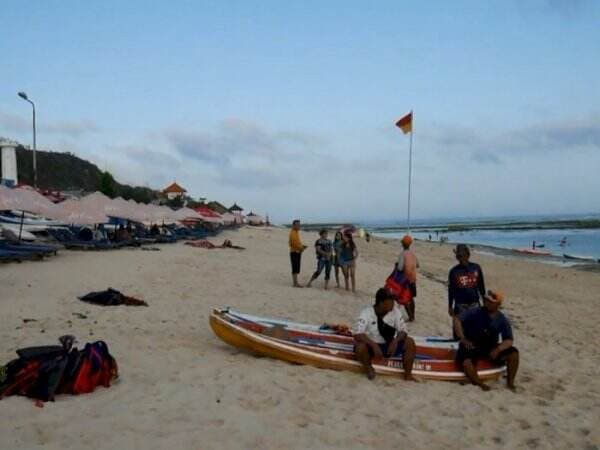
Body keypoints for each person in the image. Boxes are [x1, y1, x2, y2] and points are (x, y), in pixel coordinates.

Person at [454, 290, 519, 391]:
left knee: (514, 354)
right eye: (486, 300)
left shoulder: (502, 319)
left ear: (497, 304)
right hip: (472, 345)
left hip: (490, 347)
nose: (486, 303)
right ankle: (480, 384)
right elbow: (457, 319)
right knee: (466, 362)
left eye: (490, 302)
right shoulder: (475, 311)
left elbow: (509, 340)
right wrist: (462, 338)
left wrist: (498, 349)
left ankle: (510, 383)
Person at [353, 288, 417, 381]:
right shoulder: (367, 312)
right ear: (381, 303)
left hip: (388, 345)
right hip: (371, 346)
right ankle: (368, 368)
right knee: (360, 347)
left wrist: (395, 341)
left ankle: (408, 375)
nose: (393, 303)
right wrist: (373, 345)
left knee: (410, 342)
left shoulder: (395, 312)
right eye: (390, 300)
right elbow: (357, 334)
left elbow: (403, 331)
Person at [448, 244, 486, 319]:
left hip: (475, 305)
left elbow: (481, 287)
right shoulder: (454, 271)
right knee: (460, 329)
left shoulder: (476, 268)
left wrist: (485, 303)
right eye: (458, 256)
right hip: (460, 306)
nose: (461, 258)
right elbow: (451, 290)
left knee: (475, 329)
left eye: (462, 255)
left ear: (468, 255)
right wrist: (450, 306)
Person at [395, 235, 419, 321]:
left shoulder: (402, 254)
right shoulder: (413, 254)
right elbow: (418, 265)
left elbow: (400, 268)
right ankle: (413, 315)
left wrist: (396, 265)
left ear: (403, 244)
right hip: (413, 279)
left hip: (405, 280)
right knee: (411, 298)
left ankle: (411, 317)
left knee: (404, 298)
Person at [289, 219, 308, 287]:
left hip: (297, 251)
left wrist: (302, 246)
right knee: (295, 268)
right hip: (294, 252)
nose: (299, 226)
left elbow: (297, 243)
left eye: (299, 225)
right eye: (297, 225)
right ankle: (295, 283)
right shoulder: (293, 232)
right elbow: (293, 243)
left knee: (296, 268)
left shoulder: (296, 232)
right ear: (293, 225)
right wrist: (301, 248)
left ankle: (296, 282)